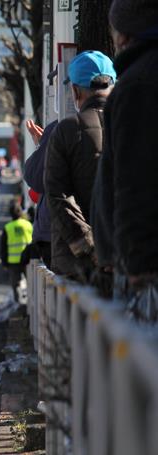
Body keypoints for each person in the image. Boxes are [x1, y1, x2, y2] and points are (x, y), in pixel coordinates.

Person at [91, 1, 158, 316]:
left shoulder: (138, 85)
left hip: (144, 266)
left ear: (124, 34)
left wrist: (137, 261)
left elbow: (135, 181)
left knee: (137, 357)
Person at [44, 50, 115, 281]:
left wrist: (91, 248)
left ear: (75, 90)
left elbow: (58, 195)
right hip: (130, 261)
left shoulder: (67, 129)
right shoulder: (139, 125)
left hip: (79, 267)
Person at [23, 119, 58, 268]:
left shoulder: (60, 126)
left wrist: (42, 147)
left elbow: (34, 181)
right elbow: (35, 193)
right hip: (52, 232)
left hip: (53, 233)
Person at [0, 204, 34, 302]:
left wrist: (4, 263)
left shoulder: (8, 228)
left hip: (13, 261)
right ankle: (31, 304)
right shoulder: (28, 225)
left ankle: (18, 305)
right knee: (31, 284)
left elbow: (3, 247)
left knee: (16, 285)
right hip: (28, 260)